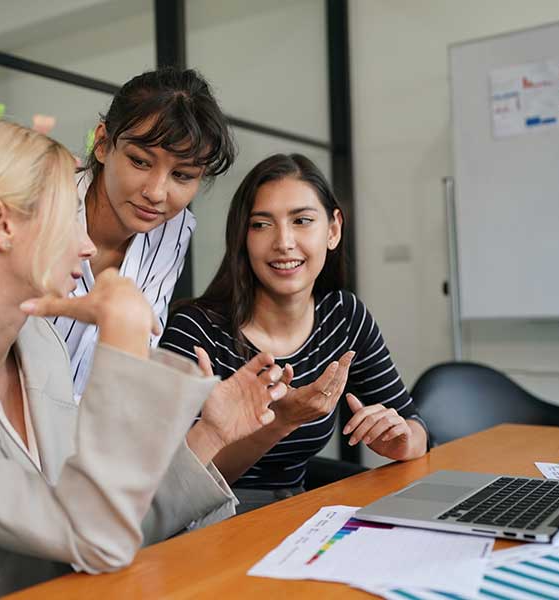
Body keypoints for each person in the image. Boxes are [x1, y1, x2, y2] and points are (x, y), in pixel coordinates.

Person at [0, 118, 288, 599]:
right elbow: (93, 536)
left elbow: (99, 520)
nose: (87, 247)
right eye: (70, 217)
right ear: (0, 223)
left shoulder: (39, 345)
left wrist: (209, 435)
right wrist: (121, 341)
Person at [159, 154, 429, 514]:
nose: (284, 242)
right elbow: (174, 485)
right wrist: (281, 421)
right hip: (206, 523)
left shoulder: (343, 316)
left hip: (295, 515)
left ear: (333, 230)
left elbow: (416, 425)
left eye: (302, 221)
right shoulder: (195, 330)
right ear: (242, 238)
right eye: (261, 224)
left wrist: (404, 442)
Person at [41, 66, 235, 399]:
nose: (157, 192)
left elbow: (138, 355)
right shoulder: (42, 202)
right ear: (102, 143)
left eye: (183, 176)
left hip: (93, 434)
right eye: (141, 162)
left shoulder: (174, 229)